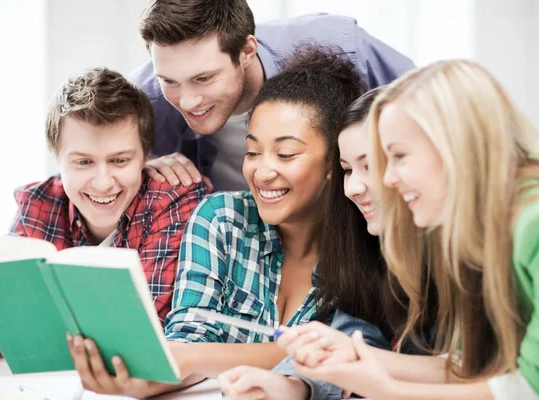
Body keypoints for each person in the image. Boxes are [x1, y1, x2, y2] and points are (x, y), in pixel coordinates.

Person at [274, 60, 539, 400]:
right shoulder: (468, 228)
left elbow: (533, 388)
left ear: (454, 145)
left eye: (398, 156)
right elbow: (470, 365)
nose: (389, 178)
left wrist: (388, 391)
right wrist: (352, 354)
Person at [65, 47, 365, 398]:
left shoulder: (364, 247)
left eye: (285, 154)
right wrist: (146, 379)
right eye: (253, 151)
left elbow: (346, 354)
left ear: (335, 160)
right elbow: (188, 339)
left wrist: (194, 358)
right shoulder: (220, 219)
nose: (263, 172)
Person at [218, 89, 437, 400]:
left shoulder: (472, 256)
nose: (354, 188)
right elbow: (357, 334)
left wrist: (381, 381)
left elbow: (479, 374)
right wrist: (291, 386)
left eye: (371, 166)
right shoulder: (374, 250)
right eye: (348, 170)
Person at [0, 67, 208, 361]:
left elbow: (140, 333)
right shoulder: (37, 202)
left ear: (146, 156)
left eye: (119, 160)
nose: (103, 182)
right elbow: (2, 328)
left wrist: (33, 323)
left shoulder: (171, 201)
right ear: (56, 159)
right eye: (83, 162)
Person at [132, 0, 415, 191]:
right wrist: (137, 165)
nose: (188, 101)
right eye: (169, 81)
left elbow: (435, 117)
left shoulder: (343, 48)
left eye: (203, 79)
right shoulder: (145, 98)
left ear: (246, 52)